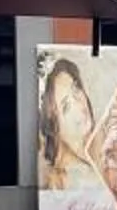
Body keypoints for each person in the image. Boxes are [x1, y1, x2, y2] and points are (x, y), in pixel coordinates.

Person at [38, 56, 100, 191]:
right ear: (54, 127)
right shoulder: (80, 176)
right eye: (66, 106)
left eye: (76, 89)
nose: (79, 104)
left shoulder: (94, 153)